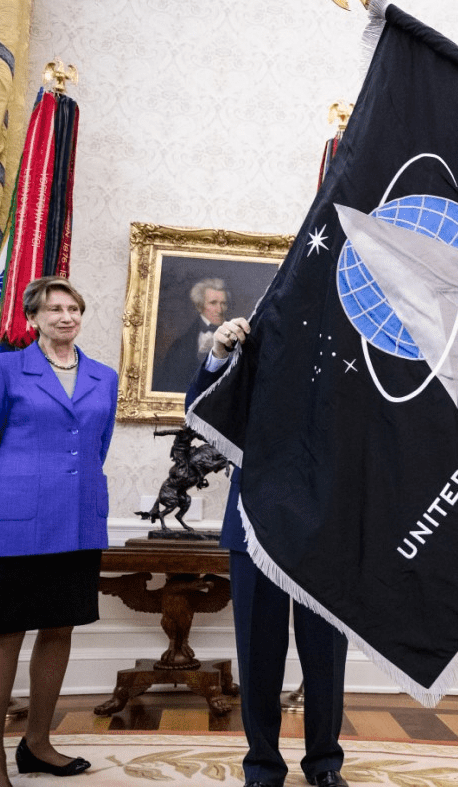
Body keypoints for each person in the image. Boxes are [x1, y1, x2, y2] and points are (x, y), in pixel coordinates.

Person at [0, 276, 118, 787]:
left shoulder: (103, 376)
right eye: (54, 308)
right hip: (18, 524)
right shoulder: (4, 369)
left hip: (78, 523)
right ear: (32, 318)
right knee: (5, 633)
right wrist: (10, 502)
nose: (66, 316)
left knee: (59, 628)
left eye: (74, 308)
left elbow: (97, 447)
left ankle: (37, 744)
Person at [187, 317, 349, 787]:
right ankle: (262, 766)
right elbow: (200, 406)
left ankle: (325, 763)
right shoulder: (250, 349)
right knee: (258, 653)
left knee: (325, 656)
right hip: (253, 527)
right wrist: (219, 354)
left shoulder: (346, 359)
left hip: (323, 531)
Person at [154, 277, 229, 393]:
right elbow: (168, 385)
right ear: (199, 306)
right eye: (213, 303)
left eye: (223, 303)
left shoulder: (238, 339)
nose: (219, 310)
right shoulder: (179, 346)